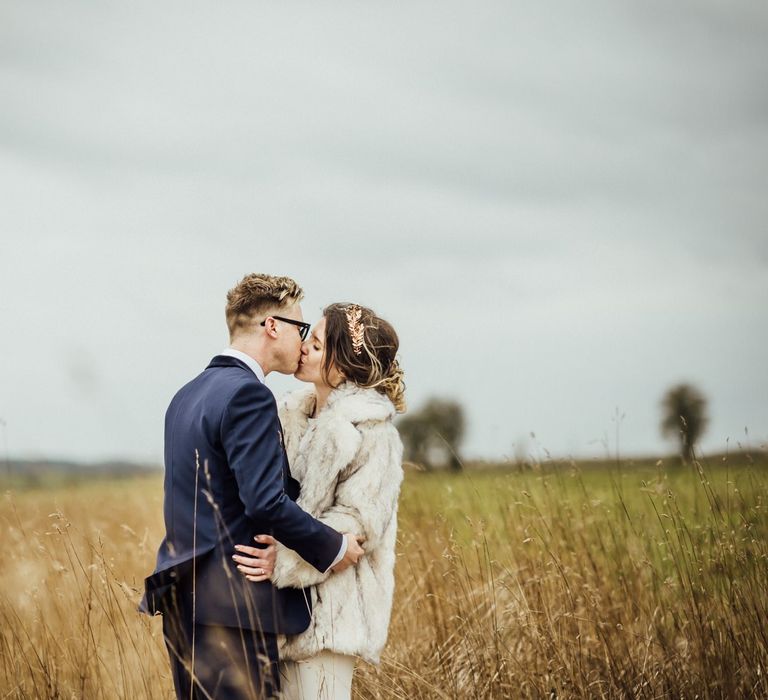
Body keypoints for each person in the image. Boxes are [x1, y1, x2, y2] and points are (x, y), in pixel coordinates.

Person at [140, 274, 365, 700]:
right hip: (231, 607)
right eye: (300, 329)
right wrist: (333, 548)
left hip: (182, 602)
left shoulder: (187, 395)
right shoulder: (249, 395)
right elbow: (265, 502)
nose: (303, 343)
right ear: (272, 326)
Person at [232, 302, 405, 700]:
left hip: (333, 615)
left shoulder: (374, 433)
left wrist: (285, 560)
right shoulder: (287, 415)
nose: (304, 347)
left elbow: (358, 526)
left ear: (342, 365)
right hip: (277, 614)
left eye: (318, 343)